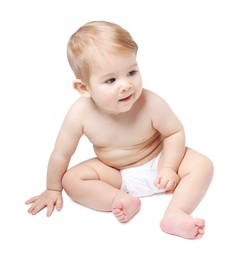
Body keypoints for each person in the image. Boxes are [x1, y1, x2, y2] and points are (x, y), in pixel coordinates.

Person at [25, 21, 213, 239]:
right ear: (84, 88)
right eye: (111, 80)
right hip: (115, 173)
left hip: (159, 160)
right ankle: (118, 199)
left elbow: (174, 132)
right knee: (71, 180)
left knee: (202, 165)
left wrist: (169, 167)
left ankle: (175, 213)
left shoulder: (150, 103)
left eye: (132, 72)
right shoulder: (79, 114)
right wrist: (52, 189)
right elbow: (61, 154)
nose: (126, 85)